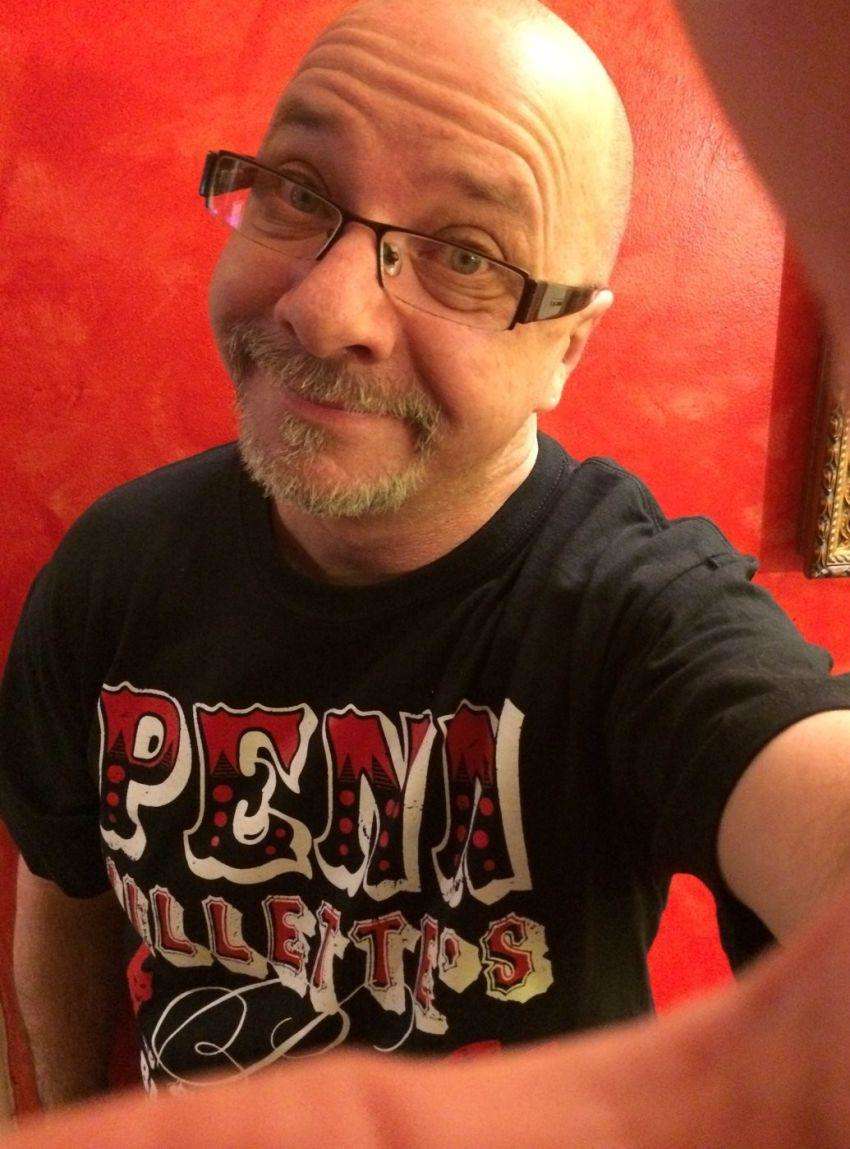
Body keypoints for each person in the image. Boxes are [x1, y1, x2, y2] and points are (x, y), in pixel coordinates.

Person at [2, 0, 850, 1128]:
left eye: (466, 257)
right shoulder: (111, 568)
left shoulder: (631, 614)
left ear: (567, 346)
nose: (323, 311)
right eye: (300, 192)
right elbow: (64, 888)